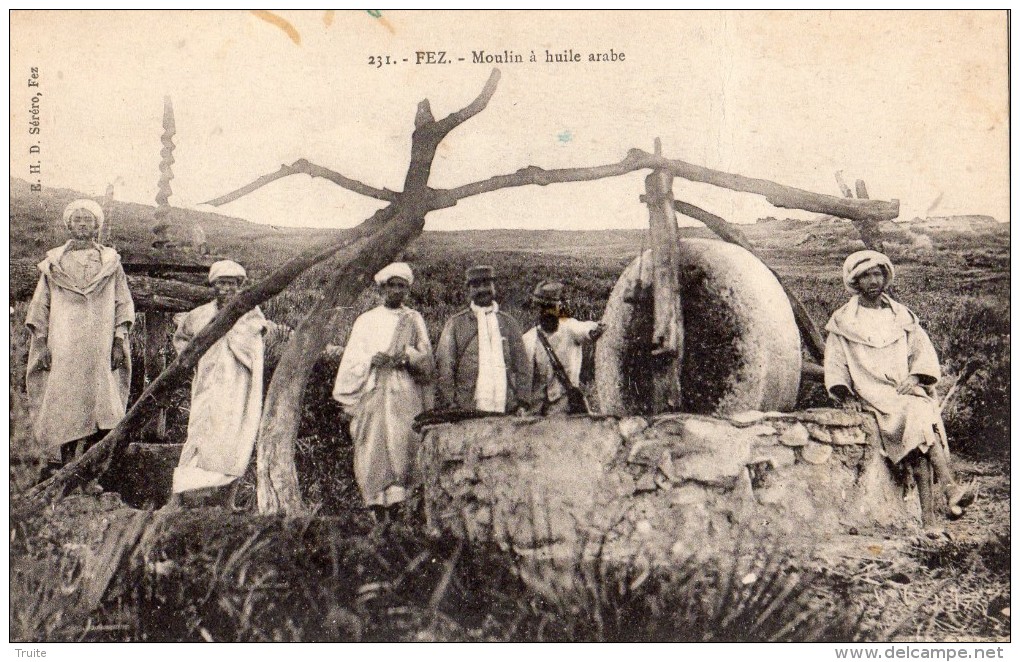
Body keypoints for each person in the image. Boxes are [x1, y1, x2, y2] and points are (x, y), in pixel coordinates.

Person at [824, 250, 971, 527]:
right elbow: (835, 362)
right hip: (871, 391)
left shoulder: (901, 315)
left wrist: (915, 378)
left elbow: (922, 353)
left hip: (902, 390)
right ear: (855, 281)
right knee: (918, 413)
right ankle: (949, 488)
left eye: (877, 273)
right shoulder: (844, 320)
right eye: (865, 275)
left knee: (918, 426)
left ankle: (930, 518)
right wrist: (845, 395)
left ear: (885, 277)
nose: (872, 280)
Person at [25, 199, 135, 467]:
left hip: (101, 343)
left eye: (88, 219)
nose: (83, 224)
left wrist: (119, 340)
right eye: (77, 219)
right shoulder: (54, 263)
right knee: (66, 400)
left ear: (97, 225)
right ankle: (67, 468)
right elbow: (41, 306)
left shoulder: (110, 262)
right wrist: (42, 343)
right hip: (64, 343)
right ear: (69, 225)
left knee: (103, 403)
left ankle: (96, 470)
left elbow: (122, 303)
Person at [332, 262, 434, 521]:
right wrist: (370, 360)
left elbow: (427, 360)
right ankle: (377, 511)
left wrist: (407, 357)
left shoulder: (414, 319)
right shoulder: (366, 320)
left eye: (402, 286)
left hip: (404, 393)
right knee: (372, 448)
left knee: (402, 447)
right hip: (373, 391)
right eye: (392, 286)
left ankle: (400, 514)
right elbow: (352, 358)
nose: (397, 291)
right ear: (382, 288)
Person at [168, 260, 267, 507]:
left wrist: (233, 335)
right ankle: (180, 498)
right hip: (208, 383)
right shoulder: (200, 314)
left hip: (237, 385)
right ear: (213, 285)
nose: (226, 288)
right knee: (199, 435)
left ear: (239, 286)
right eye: (221, 283)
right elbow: (182, 339)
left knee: (234, 439)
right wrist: (191, 358)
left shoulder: (251, 315)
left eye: (232, 283)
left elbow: (254, 346)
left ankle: (227, 500)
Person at [435, 265, 532, 414]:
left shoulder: (509, 323)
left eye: (487, 284)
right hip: (466, 406)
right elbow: (445, 368)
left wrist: (522, 402)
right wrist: (451, 404)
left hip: (506, 405)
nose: (482, 290)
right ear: (469, 290)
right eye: (476, 285)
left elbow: (522, 366)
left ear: (494, 287)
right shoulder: (456, 324)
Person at [522, 280, 605, 415]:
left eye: (551, 308)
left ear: (559, 308)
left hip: (565, 403)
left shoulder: (569, 328)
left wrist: (593, 330)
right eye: (543, 308)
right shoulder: (529, 339)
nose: (547, 313)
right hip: (539, 408)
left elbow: (584, 329)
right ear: (538, 310)